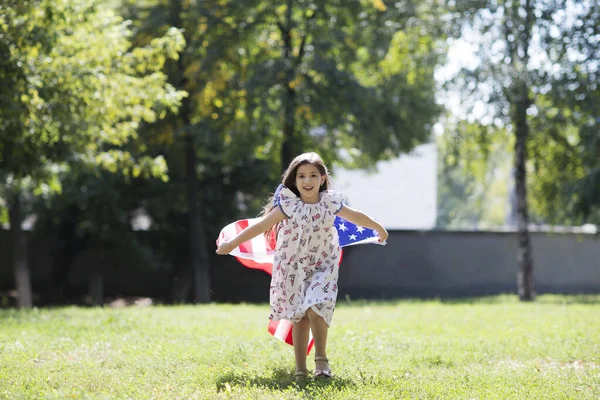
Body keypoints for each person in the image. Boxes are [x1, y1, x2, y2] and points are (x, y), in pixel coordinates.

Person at [216, 152, 388, 379]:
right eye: (301, 176)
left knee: (316, 306)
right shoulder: (288, 205)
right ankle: (300, 370)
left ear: (323, 178)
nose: (307, 181)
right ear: (295, 181)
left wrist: (378, 227)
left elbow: (355, 216)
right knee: (299, 315)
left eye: (313, 175)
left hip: (323, 265)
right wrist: (232, 243)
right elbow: (260, 226)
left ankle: (321, 360)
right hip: (292, 267)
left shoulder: (330, 202)